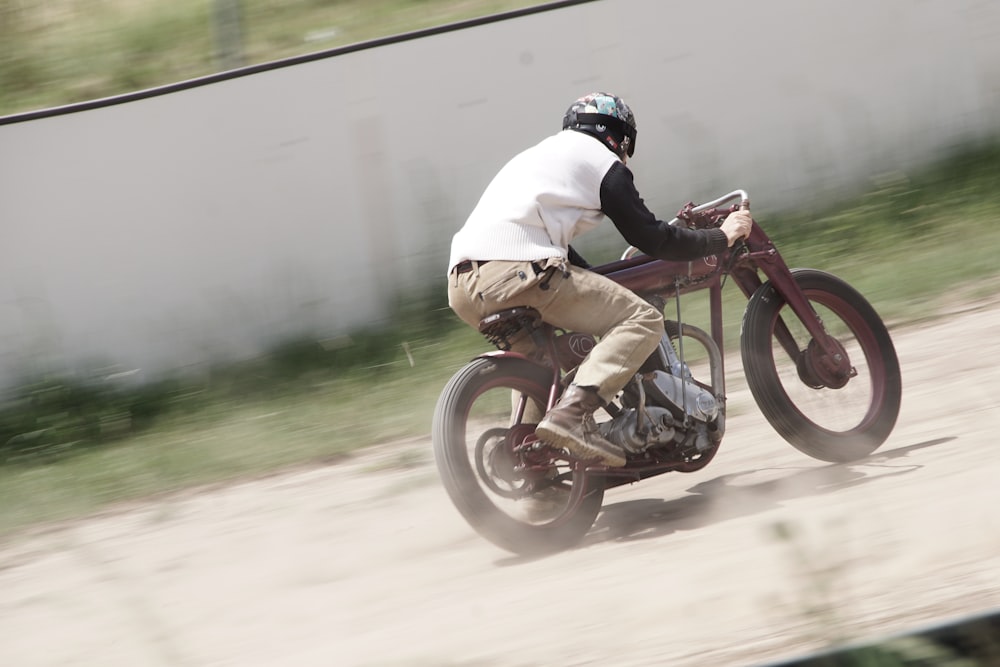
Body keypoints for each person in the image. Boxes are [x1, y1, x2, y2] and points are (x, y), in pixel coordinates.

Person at [447, 92, 752, 467]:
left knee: (539, 365)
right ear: (620, 137)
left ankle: (533, 473)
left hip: (464, 284)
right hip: (519, 271)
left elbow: (549, 243)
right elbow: (652, 237)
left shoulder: (537, 159)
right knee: (642, 320)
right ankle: (572, 417)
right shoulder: (602, 162)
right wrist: (722, 237)